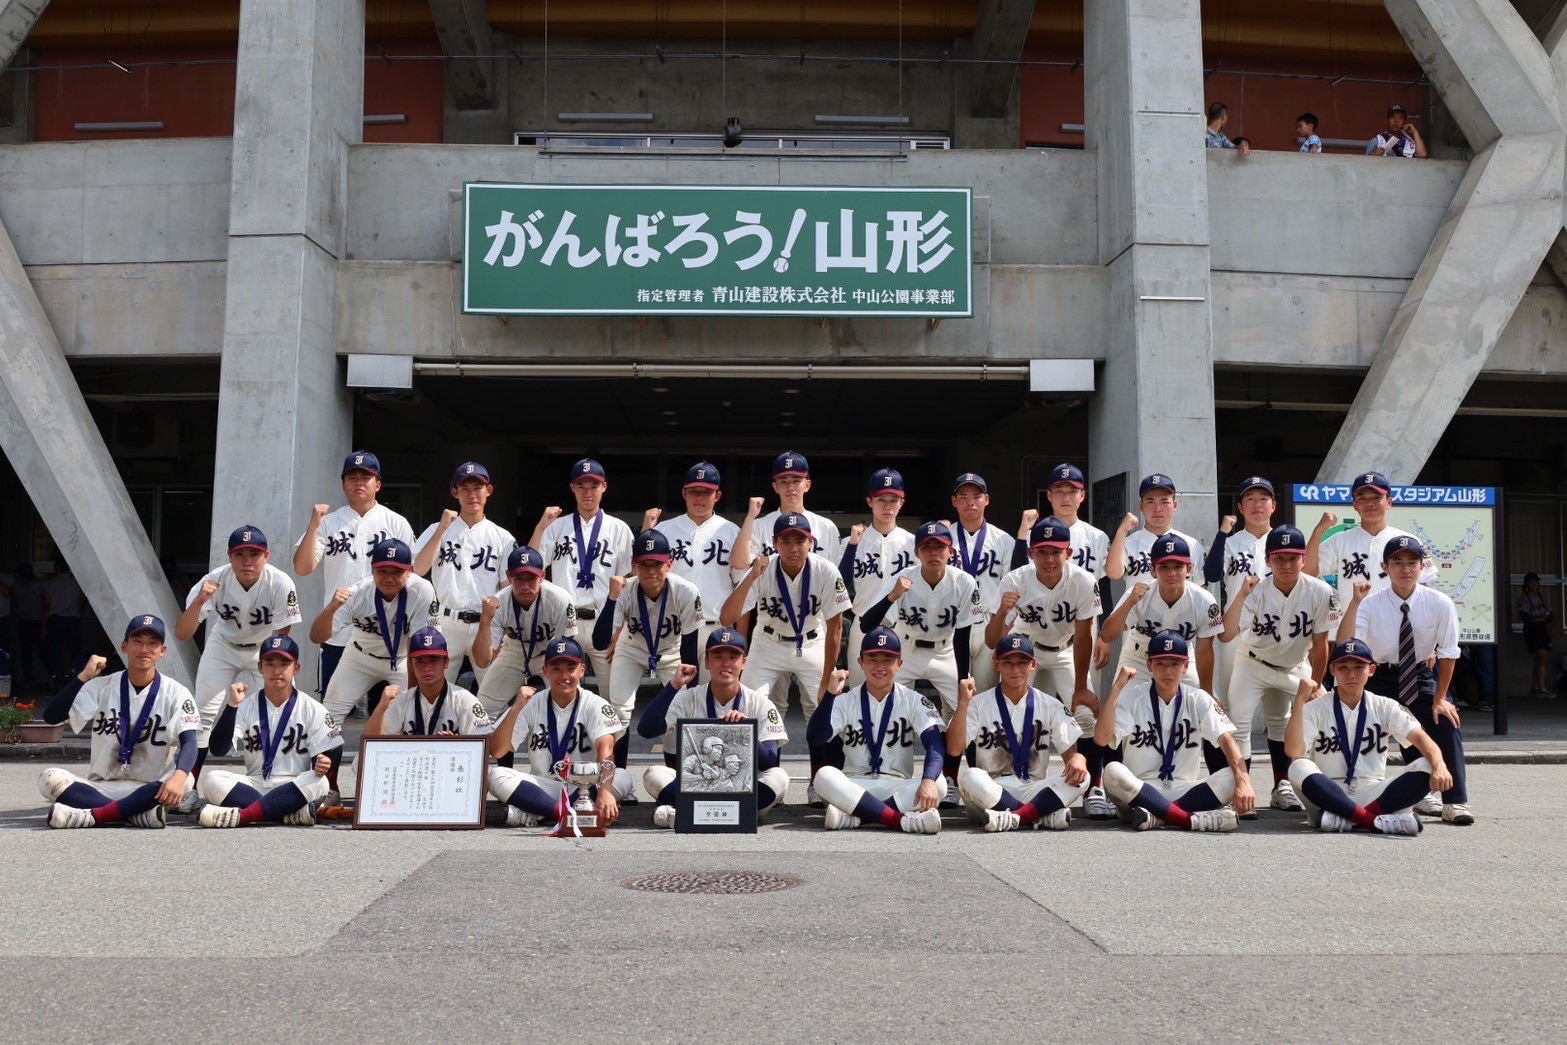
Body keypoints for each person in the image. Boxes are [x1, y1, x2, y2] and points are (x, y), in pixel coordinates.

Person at [1337, 535, 1473, 825]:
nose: (1405, 569)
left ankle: (1455, 801)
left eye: (1412, 563)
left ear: (1423, 567)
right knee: (1361, 728)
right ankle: (1359, 795)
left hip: (1420, 673)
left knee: (1445, 720)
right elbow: (1352, 643)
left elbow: (1449, 654)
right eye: (1397, 563)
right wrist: (1355, 603)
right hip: (1378, 676)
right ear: (1385, 567)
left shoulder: (1440, 603)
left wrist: (1440, 699)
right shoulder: (1371, 604)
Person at [986, 516, 1109, 818]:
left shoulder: (1083, 580)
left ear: (1069, 552)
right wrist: (1002, 612)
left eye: (1056, 551)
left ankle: (1095, 786)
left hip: (1066, 650)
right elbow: (992, 641)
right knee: (1022, 716)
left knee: (1085, 716)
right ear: (1030, 553)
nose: (1049, 558)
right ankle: (1019, 782)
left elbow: (1083, 638)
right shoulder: (1015, 580)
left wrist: (1081, 687)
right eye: (1042, 551)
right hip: (1026, 652)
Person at [174, 525, 301, 809]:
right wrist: (199, 602)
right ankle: (187, 787)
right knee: (203, 714)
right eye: (239, 554)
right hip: (223, 646)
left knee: (280, 711)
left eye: (254, 554)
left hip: (264, 649)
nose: (247, 560)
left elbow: (282, 635)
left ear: (266, 555)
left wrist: (272, 667)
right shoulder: (214, 580)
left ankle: (280, 782)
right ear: (229, 557)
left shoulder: (280, 583)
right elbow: (182, 633)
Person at [36, 615, 202, 829]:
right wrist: (83, 677)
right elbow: (52, 717)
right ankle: (136, 815)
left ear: (163, 651)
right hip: (101, 786)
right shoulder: (102, 685)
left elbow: (189, 741)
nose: (144, 648)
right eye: (137, 641)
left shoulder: (176, 692)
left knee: (186, 779)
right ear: (124, 646)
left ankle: (95, 816)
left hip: (152, 787)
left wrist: (179, 776)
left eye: (153, 643)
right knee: (48, 778)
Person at [1217, 525, 1333, 814]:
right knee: (1239, 724)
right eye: (1279, 558)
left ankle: (1283, 785)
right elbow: (1227, 634)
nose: (1286, 564)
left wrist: (1316, 684)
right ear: (1267, 561)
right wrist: (1242, 595)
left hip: (1294, 666)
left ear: (1303, 559)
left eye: (1293, 557)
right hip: (1253, 663)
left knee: (1286, 723)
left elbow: (1321, 644)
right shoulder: (1257, 591)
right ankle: (1240, 787)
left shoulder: (1320, 591)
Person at [1284, 638, 1453, 835]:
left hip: (1374, 792)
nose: (1351, 674)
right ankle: (1374, 822)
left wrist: (1440, 765)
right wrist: (1299, 701)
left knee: (1428, 763)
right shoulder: (1315, 707)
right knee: (1298, 766)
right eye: (1343, 668)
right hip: (1327, 793)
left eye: (1358, 667)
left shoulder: (1385, 705)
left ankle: (1351, 820)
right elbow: (1293, 750)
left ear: (1371, 670)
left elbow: (1421, 739)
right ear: (1333, 670)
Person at [312, 538, 437, 797]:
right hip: (360, 656)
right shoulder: (357, 592)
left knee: (412, 717)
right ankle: (328, 787)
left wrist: (412, 699)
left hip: (402, 659)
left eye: (397, 571)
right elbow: (317, 636)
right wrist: (331, 608)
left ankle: (407, 787)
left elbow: (420, 648)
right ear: (372, 570)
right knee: (328, 718)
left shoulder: (422, 590)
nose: (389, 577)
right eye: (383, 571)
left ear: (410, 570)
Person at [1096, 632, 1255, 831]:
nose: (1167, 671)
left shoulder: (1199, 698)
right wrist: (1117, 689)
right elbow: (1101, 739)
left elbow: (1227, 741)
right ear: (1149, 665)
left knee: (1234, 775)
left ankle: (1158, 817)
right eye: (1160, 663)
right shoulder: (1132, 697)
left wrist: (1244, 781)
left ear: (1186, 666)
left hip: (1184, 791)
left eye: (1174, 664)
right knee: (1112, 771)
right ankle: (1188, 820)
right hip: (1139, 792)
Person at [637, 629, 791, 828]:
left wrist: (745, 732)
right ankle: (732, 814)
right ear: (707, 662)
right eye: (718, 657)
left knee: (779, 777)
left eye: (733, 657)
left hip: (744, 788)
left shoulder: (760, 703)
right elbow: (647, 729)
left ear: (744, 662)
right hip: (698, 786)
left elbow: (770, 761)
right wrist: (673, 686)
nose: (726, 663)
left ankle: (690, 812)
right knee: (654, 774)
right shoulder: (689, 697)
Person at [292, 450, 415, 697]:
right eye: (352, 477)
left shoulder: (396, 522)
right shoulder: (329, 522)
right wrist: (314, 525)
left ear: (377, 484)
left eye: (365, 477)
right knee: (333, 711)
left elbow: (412, 575)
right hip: (338, 630)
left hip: (385, 634)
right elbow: (303, 568)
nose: (358, 482)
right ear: (343, 484)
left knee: (388, 714)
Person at [946, 634, 1091, 832]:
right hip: (991, 789)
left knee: (1084, 777)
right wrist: (963, 703)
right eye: (1008, 663)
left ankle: (1014, 817)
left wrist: (1078, 758)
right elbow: (954, 750)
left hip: (1034, 789)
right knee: (970, 777)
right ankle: (1038, 815)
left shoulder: (1051, 705)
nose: (1015, 670)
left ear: (1033, 664)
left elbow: (1070, 756)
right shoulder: (978, 704)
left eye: (1022, 663)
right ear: (996, 664)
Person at [805, 629, 945, 833]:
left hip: (897, 786)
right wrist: (829, 695)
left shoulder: (914, 700)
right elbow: (816, 738)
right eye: (872, 659)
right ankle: (900, 821)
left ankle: (856, 818)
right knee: (824, 776)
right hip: (853, 786)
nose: (879, 666)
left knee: (938, 783)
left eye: (887, 659)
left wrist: (929, 780)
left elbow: (935, 745)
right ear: (860, 662)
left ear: (900, 664)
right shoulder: (844, 700)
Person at [592, 529, 703, 786]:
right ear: (634, 566)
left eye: (657, 563)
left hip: (672, 651)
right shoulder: (625, 590)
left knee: (682, 709)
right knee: (619, 709)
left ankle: (679, 778)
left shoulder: (686, 591)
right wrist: (611, 598)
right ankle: (618, 780)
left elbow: (689, 645)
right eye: (644, 564)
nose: (651, 570)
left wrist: (688, 689)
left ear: (669, 563)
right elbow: (600, 642)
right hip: (632, 647)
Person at [197, 635, 344, 828]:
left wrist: (323, 764)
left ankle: (244, 816)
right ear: (260, 668)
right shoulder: (246, 705)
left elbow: (332, 749)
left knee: (320, 782)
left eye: (284, 664)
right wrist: (231, 706)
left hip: (294, 784)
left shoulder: (311, 707)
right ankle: (284, 814)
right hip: (254, 783)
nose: (276, 671)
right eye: (269, 663)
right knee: (211, 780)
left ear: (296, 668)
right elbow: (218, 749)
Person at [721, 512, 852, 723]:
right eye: (786, 541)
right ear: (774, 543)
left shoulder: (826, 570)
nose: (793, 548)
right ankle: (767, 757)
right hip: (768, 643)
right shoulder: (762, 568)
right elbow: (727, 618)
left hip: (811, 642)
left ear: (811, 542)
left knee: (827, 709)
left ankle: (821, 758)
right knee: (750, 709)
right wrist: (752, 575)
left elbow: (835, 628)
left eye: (800, 541)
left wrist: (826, 680)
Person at [486, 638, 628, 829]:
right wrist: (515, 708)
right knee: (496, 775)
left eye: (570, 668)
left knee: (622, 777)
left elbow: (607, 750)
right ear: (545, 671)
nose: (564, 676)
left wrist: (604, 791)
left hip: (585, 786)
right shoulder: (532, 702)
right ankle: (566, 814)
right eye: (556, 669)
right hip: (543, 786)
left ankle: (537, 812)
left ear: (582, 671)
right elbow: (498, 751)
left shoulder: (595, 704)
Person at [856, 521, 982, 723]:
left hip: (945, 651)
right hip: (907, 650)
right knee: (885, 705)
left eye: (940, 547)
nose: (934, 553)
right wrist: (892, 596)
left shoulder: (964, 582)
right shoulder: (901, 579)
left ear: (950, 551)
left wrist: (962, 679)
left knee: (968, 709)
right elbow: (866, 626)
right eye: (927, 548)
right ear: (917, 553)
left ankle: (951, 752)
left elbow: (962, 635)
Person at [530, 458, 637, 690]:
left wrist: (623, 627)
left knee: (614, 693)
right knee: (560, 691)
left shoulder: (619, 528)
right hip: (565, 618)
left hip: (605, 617)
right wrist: (540, 526)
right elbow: (531, 564)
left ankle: (614, 729)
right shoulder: (557, 526)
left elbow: (629, 582)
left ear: (604, 487)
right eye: (582, 486)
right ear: (572, 488)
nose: (588, 493)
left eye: (594, 486)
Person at [412, 461, 515, 687]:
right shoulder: (436, 528)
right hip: (445, 620)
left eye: (477, 488)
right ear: (455, 492)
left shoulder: (502, 536)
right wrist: (441, 529)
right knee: (435, 692)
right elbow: (417, 570)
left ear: (488, 491)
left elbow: (508, 587)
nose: (472, 495)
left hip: (485, 622)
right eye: (465, 489)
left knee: (493, 693)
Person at [653, 461, 746, 676]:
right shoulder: (664, 531)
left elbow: (742, 588)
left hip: (715, 627)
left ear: (718, 495)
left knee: (712, 698)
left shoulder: (732, 532)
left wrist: (741, 637)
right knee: (677, 698)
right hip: (673, 628)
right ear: (684, 493)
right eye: (694, 492)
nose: (700, 498)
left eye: (706, 492)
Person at [1102, 534, 1222, 691]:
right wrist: (1129, 603)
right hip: (1139, 657)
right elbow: (1107, 635)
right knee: (1120, 709)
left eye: (1178, 566)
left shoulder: (1203, 600)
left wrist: (1207, 693)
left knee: (1199, 709)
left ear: (1189, 569)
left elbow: (1205, 651)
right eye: (1164, 566)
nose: (1171, 573)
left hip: (1180, 660)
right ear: (1153, 570)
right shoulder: (1138, 594)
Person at [472, 546, 578, 719]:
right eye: (519, 578)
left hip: (552, 652)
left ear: (542, 576)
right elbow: (482, 661)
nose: (525, 585)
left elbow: (565, 649)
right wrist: (485, 621)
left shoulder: (559, 598)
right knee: (483, 710)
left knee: (568, 704)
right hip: (515, 650)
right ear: (508, 577)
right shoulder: (499, 602)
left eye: (532, 578)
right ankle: (487, 746)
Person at [1305, 471, 1435, 606]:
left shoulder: (1408, 541)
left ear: (1389, 502)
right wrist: (1318, 531)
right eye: (1362, 498)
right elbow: (1307, 572)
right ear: (1355, 505)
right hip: (1354, 624)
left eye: (1376, 497)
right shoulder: (1340, 540)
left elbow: (1425, 584)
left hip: (1397, 623)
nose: (1369, 503)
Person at [839, 467, 916, 688]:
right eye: (881, 499)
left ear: (901, 502)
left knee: (901, 693)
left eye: (893, 499)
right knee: (857, 691)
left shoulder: (913, 544)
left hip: (901, 624)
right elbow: (840, 587)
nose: (887, 505)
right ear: (870, 501)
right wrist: (853, 546)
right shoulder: (851, 542)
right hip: (862, 622)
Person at [947, 471, 1019, 692]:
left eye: (976, 496)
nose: (970, 502)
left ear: (986, 500)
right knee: (953, 697)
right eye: (964, 496)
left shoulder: (1004, 540)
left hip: (988, 622)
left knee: (986, 694)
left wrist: (1004, 629)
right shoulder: (943, 539)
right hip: (951, 623)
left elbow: (1014, 588)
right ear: (954, 501)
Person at [365, 626, 494, 738]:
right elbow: (371, 748)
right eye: (420, 661)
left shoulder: (465, 700)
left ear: (446, 662)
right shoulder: (402, 701)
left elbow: (483, 748)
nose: (427, 668)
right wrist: (381, 708)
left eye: (434, 659)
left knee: (500, 769)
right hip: (414, 765)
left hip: (451, 765)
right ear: (411, 665)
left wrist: (457, 744)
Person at [738, 451, 841, 562]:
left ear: (807, 485)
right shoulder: (758, 526)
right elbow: (742, 569)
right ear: (775, 487)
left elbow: (836, 573)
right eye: (783, 481)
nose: (790, 487)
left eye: (796, 481)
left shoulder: (826, 527)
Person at [1106, 473, 1207, 586]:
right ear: (1141, 506)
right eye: (1150, 501)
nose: (1157, 509)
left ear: (1174, 505)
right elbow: (1113, 573)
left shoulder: (1191, 545)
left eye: (1164, 502)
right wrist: (1122, 531)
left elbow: (1201, 588)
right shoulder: (1128, 543)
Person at [43, 561, 84, 688]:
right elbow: (82, 602)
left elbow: (47, 606)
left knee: (55, 652)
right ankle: (74, 677)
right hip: (72, 619)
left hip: (55, 619)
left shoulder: (51, 583)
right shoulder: (77, 584)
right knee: (73, 651)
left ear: (58, 568)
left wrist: (43, 626)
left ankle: (57, 680)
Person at [9, 562, 45, 690]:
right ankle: (29, 678)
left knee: (42, 651)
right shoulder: (18, 586)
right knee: (26, 652)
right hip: (24, 621)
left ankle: (53, 676)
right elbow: (14, 603)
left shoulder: (39, 585)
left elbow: (46, 603)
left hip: (37, 621)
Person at [1518, 572, 1554, 697]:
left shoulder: (1543, 598)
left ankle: (1535, 687)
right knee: (1542, 656)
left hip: (1542, 630)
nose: (1535, 585)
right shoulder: (1524, 598)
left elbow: (1550, 616)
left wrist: (1539, 619)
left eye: (1536, 582)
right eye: (1532, 582)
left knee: (1540, 659)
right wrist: (1541, 618)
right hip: (1532, 631)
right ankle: (1541, 688)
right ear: (1527, 584)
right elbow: (1526, 618)